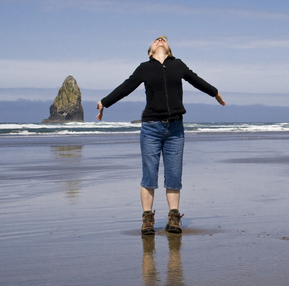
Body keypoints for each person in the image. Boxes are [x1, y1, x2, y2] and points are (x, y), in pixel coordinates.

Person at [96, 35, 225, 235]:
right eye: (156, 41)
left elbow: (196, 80)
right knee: (149, 174)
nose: (160, 40)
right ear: (150, 52)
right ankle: (147, 220)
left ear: (169, 50)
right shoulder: (144, 68)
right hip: (151, 128)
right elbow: (126, 87)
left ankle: (174, 219)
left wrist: (215, 92)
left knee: (174, 174)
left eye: (163, 40)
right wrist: (105, 102)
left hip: (175, 129)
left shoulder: (178, 65)